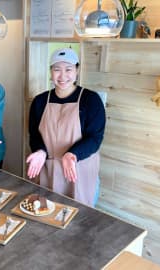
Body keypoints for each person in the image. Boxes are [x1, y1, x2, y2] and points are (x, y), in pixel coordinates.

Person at [26, 48, 106, 207]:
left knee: (78, 221)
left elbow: (95, 138)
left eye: (68, 69)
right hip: (48, 171)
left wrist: (72, 154)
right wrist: (40, 150)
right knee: (45, 214)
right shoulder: (40, 101)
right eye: (57, 69)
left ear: (77, 70)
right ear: (50, 72)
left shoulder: (91, 100)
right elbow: (34, 134)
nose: (62, 76)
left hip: (77, 171)